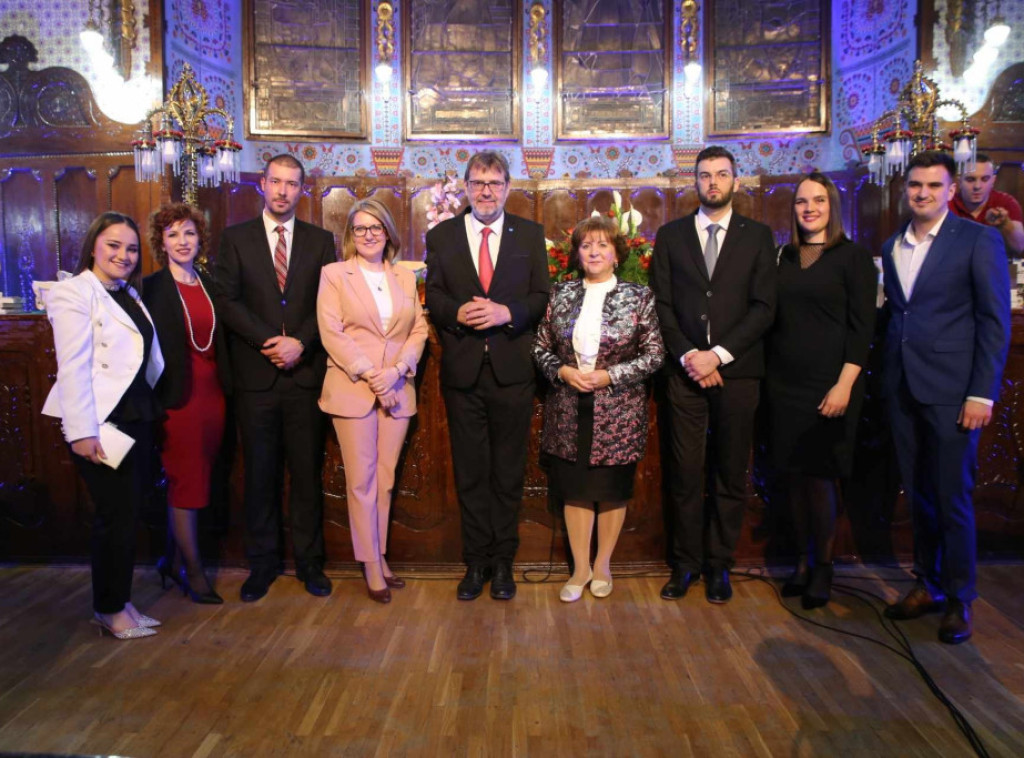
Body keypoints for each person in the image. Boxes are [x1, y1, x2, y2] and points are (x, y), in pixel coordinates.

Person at [881, 151, 1010, 644]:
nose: (923, 193)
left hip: (955, 392)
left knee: (952, 495)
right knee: (918, 494)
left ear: (950, 191)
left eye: (934, 186)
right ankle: (927, 583)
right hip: (903, 387)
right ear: (905, 189)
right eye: (916, 185)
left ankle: (960, 598)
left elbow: (993, 322)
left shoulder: (977, 239)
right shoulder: (893, 244)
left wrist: (981, 393)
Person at [650, 145, 777, 604]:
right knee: (684, 474)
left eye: (722, 174)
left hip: (738, 373)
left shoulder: (757, 236)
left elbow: (764, 307)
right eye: (705, 175)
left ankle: (719, 565)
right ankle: (685, 565)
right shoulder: (671, 235)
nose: (713, 182)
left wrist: (717, 356)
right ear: (695, 182)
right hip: (684, 373)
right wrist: (690, 356)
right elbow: (661, 305)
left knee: (729, 472)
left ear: (735, 182)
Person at [425, 150, 550, 601]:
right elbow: (434, 296)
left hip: (512, 372)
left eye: (495, 183)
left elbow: (541, 296)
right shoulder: (441, 235)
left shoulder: (530, 234)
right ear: (465, 187)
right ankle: (475, 563)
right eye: (478, 183)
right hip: (463, 373)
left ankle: (503, 565)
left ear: (507, 188)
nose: (486, 191)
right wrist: (456, 311)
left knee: (508, 473)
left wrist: (507, 312)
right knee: (471, 474)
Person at [214, 154, 337, 602]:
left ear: (302, 189)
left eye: (292, 183)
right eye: (276, 182)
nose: (283, 191)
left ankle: (310, 564)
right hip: (256, 376)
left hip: (304, 376)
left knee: (306, 476)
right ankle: (262, 565)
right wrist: (270, 342)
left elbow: (329, 305)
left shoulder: (321, 241)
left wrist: (300, 342)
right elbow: (227, 301)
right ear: (262, 184)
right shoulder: (235, 239)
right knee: (260, 476)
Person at [41, 212, 165, 639]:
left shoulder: (126, 292)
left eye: (131, 248)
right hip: (101, 421)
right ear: (93, 245)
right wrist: (81, 431)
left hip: (136, 415)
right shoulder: (73, 292)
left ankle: (121, 601)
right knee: (114, 517)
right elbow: (72, 366)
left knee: (127, 515)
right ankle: (109, 609)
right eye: (113, 245)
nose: (123, 255)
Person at [533, 216, 664, 602]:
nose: (594, 252)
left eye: (602, 245)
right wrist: (562, 371)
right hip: (568, 407)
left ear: (616, 253)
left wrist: (611, 376)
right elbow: (539, 347)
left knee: (610, 491)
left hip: (618, 411)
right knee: (575, 491)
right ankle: (580, 569)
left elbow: (655, 354)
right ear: (577, 253)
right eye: (586, 245)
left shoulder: (639, 296)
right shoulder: (560, 293)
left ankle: (603, 565)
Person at [765, 173, 878, 609]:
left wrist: (844, 385)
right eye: (801, 202)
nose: (809, 208)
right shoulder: (784, 257)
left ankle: (824, 565)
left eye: (818, 200)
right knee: (792, 476)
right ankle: (801, 561)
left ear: (833, 205)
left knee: (820, 476)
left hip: (831, 383)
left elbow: (862, 330)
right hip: (784, 383)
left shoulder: (853, 257)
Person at [317, 199, 428, 603]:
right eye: (360, 228)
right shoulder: (334, 274)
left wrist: (397, 370)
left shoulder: (404, 276)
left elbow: (419, 329)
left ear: (387, 233)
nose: (368, 234)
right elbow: (331, 332)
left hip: (397, 387)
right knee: (361, 481)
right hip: (353, 388)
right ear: (351, 234)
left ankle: (379, 555)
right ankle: (370, 563)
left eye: (376, 227)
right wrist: (370, 373)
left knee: (385, 478)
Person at [143, 203, 231, 604]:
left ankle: (172, 559)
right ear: (161, 242)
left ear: (200, 240)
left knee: (202, 476)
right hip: (177, 401)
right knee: (186, 481)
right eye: (173, 234)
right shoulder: (149, 288)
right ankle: (193, 573)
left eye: (189, 233)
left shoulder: (210, 283)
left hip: (214, 396)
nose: (182, 241)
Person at [949, 153, 1024, 256]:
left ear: (993, 181)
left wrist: (1005, 224)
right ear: (960, 181)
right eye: (970, 179)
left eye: (984, 179)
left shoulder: (1006, 202)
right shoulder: (947, 203)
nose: (977, 186)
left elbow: (1019, 247)